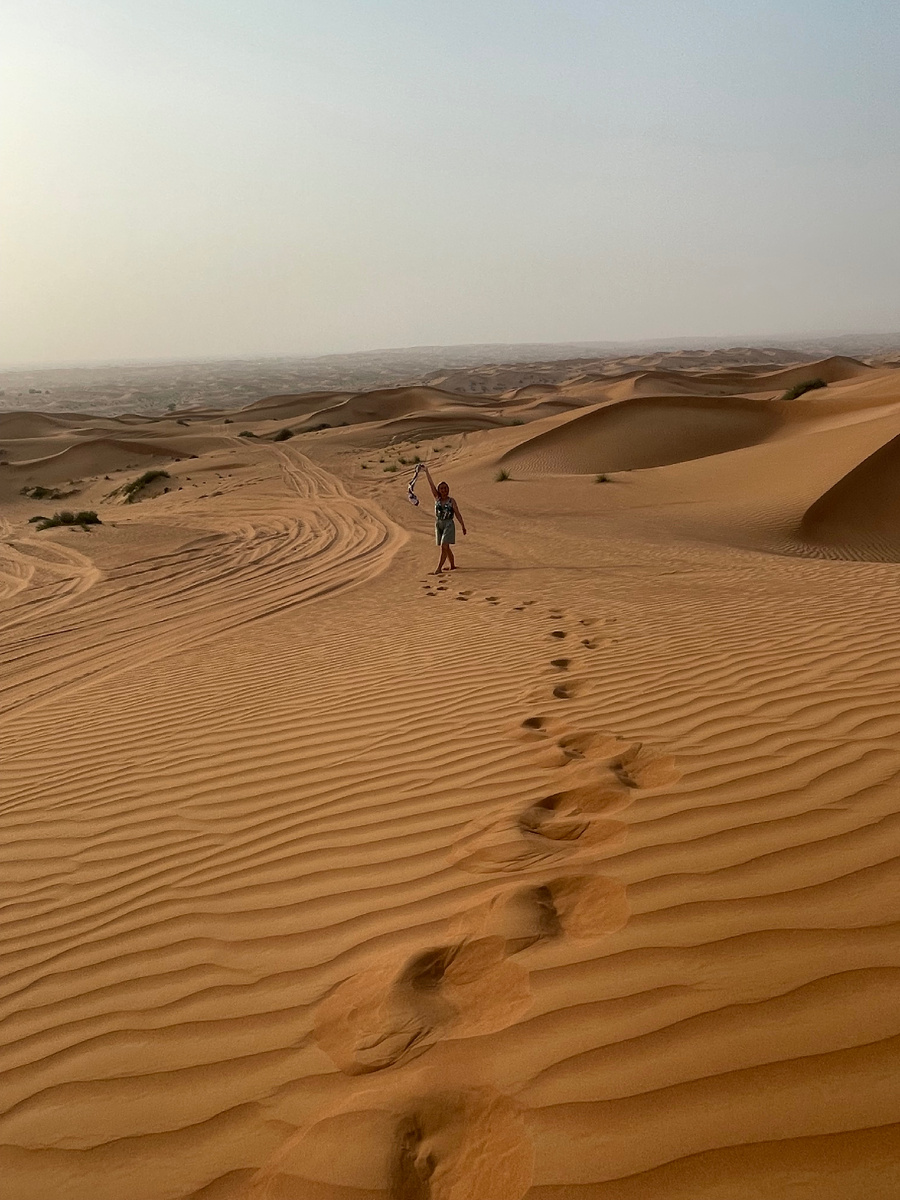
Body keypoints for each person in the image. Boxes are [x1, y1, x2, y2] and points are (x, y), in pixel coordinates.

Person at [424, 465, 466, 573]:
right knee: (446, 547)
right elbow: (431, 485)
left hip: (448, 524)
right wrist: (426, 472)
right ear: (439, 490)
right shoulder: (437, 498)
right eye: (442, 488)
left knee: (444, 546)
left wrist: (462, 525)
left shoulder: (451, 501)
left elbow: (457, 513)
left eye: (446, 488)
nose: (444, 490)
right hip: (439, 524)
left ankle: (438, 569)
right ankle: (452, 565)